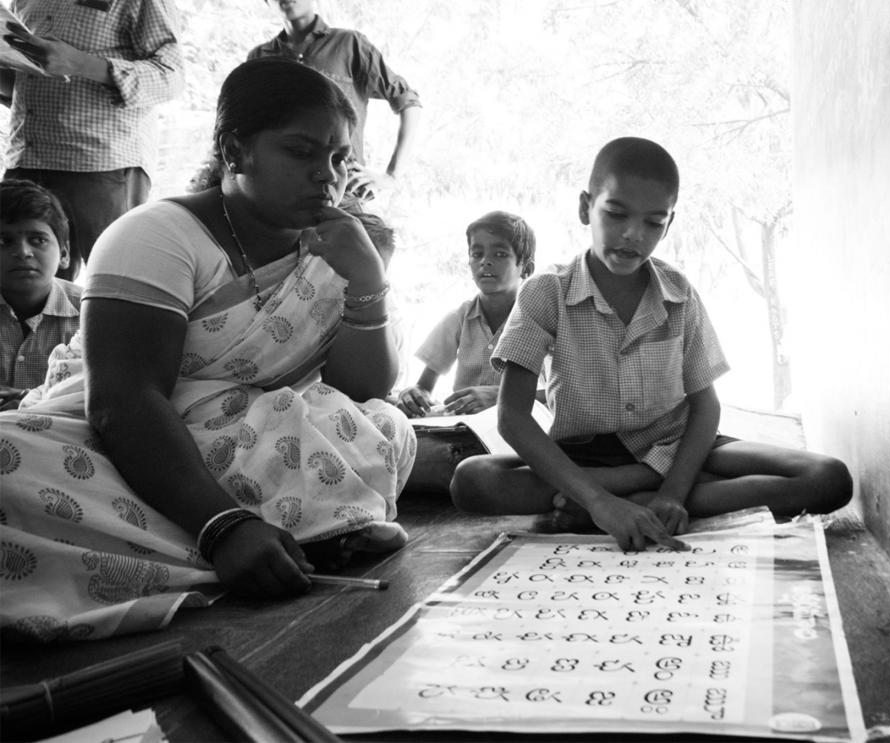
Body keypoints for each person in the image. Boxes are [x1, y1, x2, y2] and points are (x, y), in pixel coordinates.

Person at [0, 58, 416, 643]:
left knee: (381, 424)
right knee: (5, 461)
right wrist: (223, 526)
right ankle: (279, 534)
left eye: (340, 159)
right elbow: (122, 401)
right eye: (301, 153)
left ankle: (251, 537)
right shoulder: (157, 235)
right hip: (135, 445)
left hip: (263, 447)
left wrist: (367, 281)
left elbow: (363, 389)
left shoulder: (336, 249)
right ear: (235, 149)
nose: (329, 176)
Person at [451, 137, 852, 552]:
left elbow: (706, 405)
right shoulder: (546, 291)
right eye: (616, 213)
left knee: (827, 478)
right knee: (473, 481)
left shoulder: (678, 293)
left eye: (653, 222)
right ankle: (630, 494)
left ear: (669, 223)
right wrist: (600, 500)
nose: (632, 235)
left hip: (676, 446)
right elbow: (512, 418)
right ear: (585, 207)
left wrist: (673, 494)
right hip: (586, 461)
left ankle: (640, 502)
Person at [1, 0, 185, 280]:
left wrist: (80, 63)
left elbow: (171, 77)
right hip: (25, 156)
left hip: (98, 163)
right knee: (16, 288)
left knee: (117, 283)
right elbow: (26, 82)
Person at [248, 0, 421, 204]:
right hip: (281, 190)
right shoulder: (260, 58)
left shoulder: (350, 44)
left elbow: (407, 101)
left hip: (341, 190)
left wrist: (391, 176)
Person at [396, 210, 536, 418]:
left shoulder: (539, 320)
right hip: (464, 431)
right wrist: (415, 395)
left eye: (500, 254)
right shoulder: (459, 319)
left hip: (520, 432)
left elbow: (560, 394)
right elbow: (424, 387)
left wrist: (500, 396)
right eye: (477, 254)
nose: (485, 262)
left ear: (526, 268)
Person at [0, 179, 80, 410]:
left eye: (38, 240)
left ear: (64, 253)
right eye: (4, 241)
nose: (23, 252)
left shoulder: (92, 314)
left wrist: (29, 398)